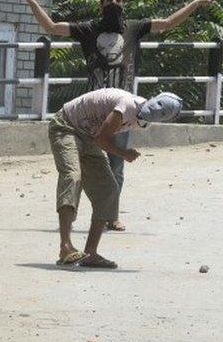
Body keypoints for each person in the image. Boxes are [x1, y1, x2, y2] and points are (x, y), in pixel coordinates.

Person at [18, 0, 212, 231]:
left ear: (124, 3)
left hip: (121, 111)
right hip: (89, 114)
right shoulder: (87, 29)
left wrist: (195, 3)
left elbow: (167, 23)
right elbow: (51, 27)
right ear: (101, 4)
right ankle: (70, 216)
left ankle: (111, 216)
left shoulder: (134, 28)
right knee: (75, 168)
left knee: (116, 166)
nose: (114, 3)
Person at [49, 88, 182, 268]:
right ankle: (65, 247)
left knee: (109, 189)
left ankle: (90, 253)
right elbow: (102, 139)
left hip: (88, 135)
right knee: (72, 176)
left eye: (164, 112)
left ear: (165, 120)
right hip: (66, 126)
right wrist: (124, 154)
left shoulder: (143, 122)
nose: (157, 110)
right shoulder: (127, 106)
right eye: (158, 104)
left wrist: (118, 153)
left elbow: (102, 136)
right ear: (153, 98)